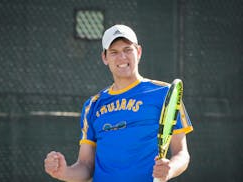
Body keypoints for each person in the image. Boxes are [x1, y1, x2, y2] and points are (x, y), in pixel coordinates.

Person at [44, 24, 193, 182]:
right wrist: (63, 172)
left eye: (127, 50)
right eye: (114, 52)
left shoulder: (164, 93)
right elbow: (86, 165)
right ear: (105, 58)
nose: (122, 57)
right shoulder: (92, 105)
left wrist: (170, 169)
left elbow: (181, 153)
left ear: (139, 52)